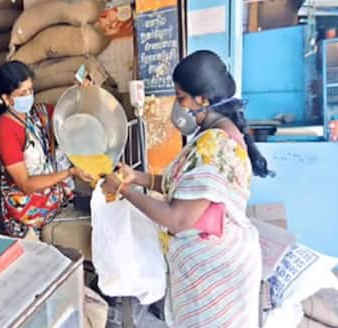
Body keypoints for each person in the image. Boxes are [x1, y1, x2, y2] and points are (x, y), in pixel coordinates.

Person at [102, 51, 270, 327]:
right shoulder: (213, 135)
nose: (177, 106)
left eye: (181, 97)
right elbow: (182, 187)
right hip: (213, 268)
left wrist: (123, 190)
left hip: (216, 277)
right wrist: (138, 178)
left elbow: (177, 218)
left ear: (202, 99)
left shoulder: (214, 145)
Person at [0, 61, 93, 239]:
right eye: (22, 93)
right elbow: (26, 184)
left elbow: (66, 116)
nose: (29, 96)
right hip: (28, 213)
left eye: (31, 90)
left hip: (55, 201)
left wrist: (79, 93)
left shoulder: (39, 114)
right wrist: (70, 172)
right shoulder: (5, 129)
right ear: (7, 99)